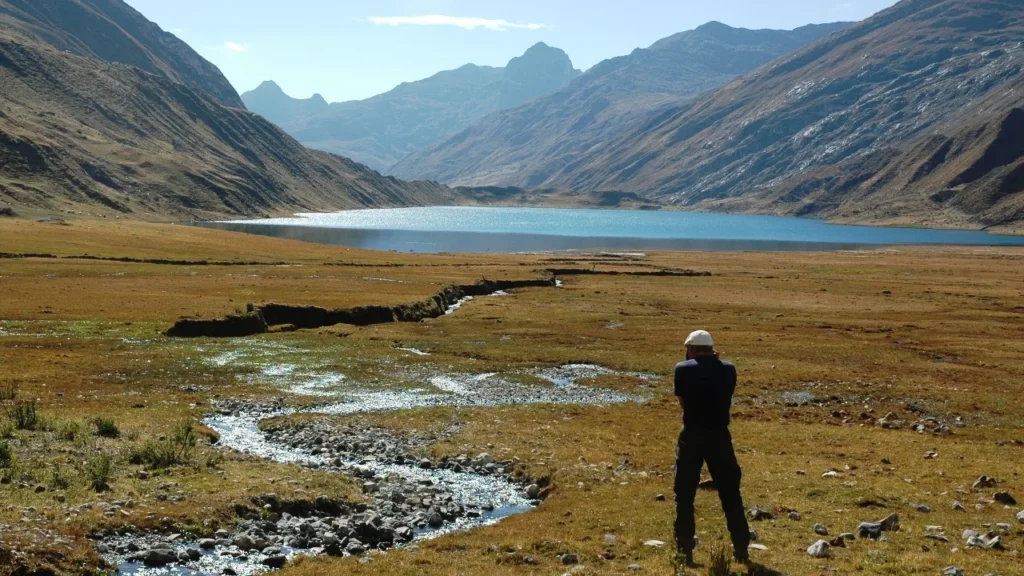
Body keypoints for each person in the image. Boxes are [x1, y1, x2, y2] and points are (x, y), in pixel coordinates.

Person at [673, 330, 750, 566]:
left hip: (692, 436)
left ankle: (685, 552)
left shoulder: (682, 369)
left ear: (692, 349)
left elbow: (683, 403)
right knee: (730, 493)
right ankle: (741, 549)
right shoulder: (728, 369)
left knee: (684, 495)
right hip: (719, 437)